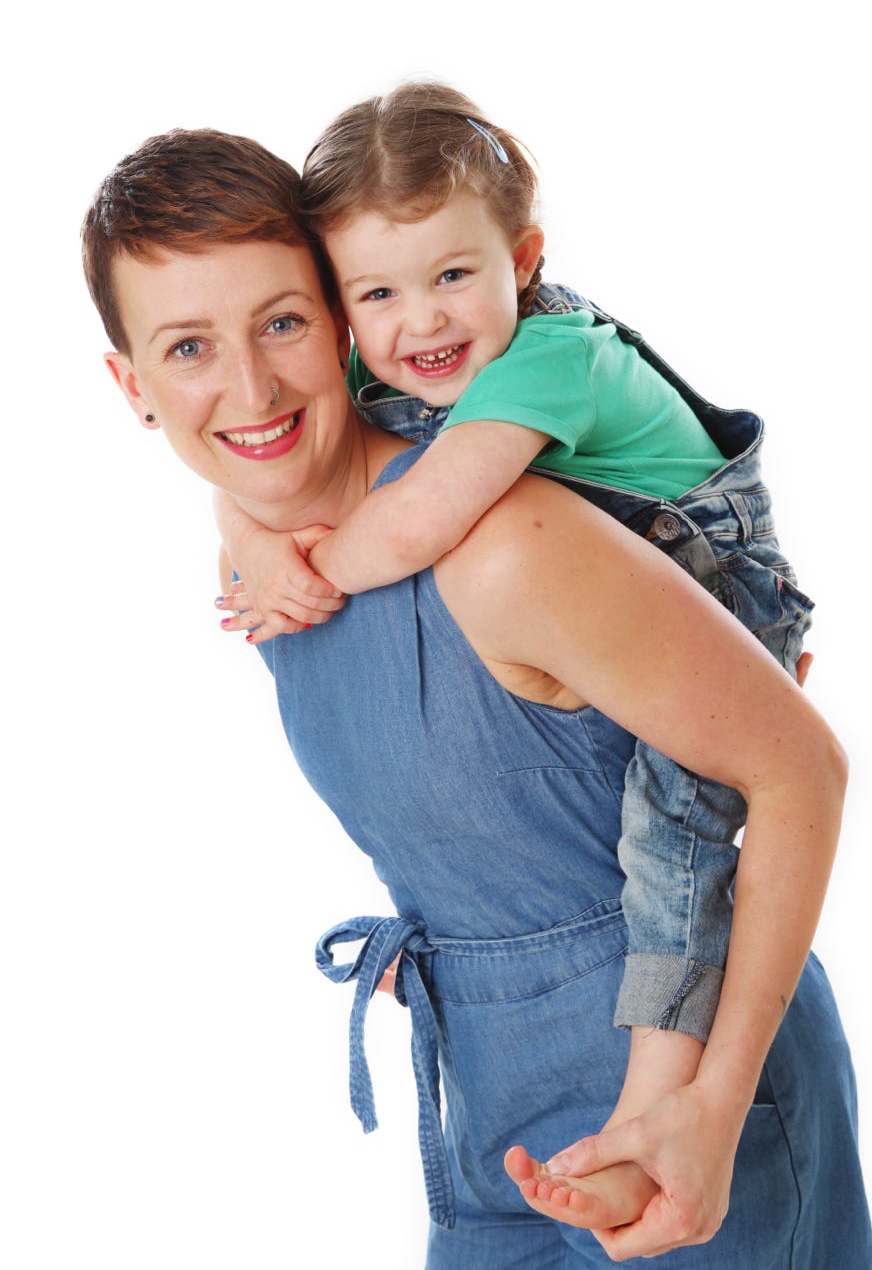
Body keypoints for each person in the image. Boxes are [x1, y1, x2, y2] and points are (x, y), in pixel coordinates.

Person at [81, 126, 871, 1266]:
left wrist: (709, 1101)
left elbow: (800, 766)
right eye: (189, 347)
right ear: (133, 386)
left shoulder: (497, 543)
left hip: (699, 1113)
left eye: (283, 322)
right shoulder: (274, 570)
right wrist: (463, 945)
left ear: (338, 321)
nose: (249, 386)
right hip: (489, 1122)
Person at [215, 82, 812, 1067]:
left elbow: (415, 521)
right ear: (338, 309)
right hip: (611, 596)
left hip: (714, 577)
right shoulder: (393, 362)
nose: (420, 321)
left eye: (452, 274)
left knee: (673, 832)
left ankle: (667, 1090)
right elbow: (255, 466)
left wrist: (304, 567)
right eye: (377, 295)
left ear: (522, 260)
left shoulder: (547, 358)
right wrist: (250, 538)